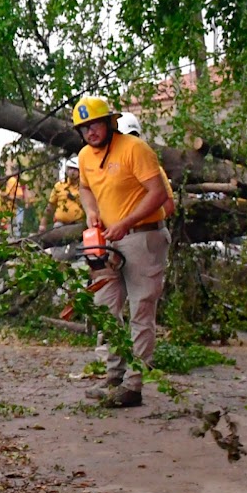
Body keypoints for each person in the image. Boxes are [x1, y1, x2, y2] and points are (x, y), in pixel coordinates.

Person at [71, 95, 174, 408]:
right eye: (84, 127)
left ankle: (133, 385)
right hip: (106, 240)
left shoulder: (135, 149)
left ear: (109, 123)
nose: (91, 132)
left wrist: (127, 221)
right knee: (105, 306)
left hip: (143, 237)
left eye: (95, 125)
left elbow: (158, 195)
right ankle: (113, 374)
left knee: (141, 310)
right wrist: (91, 212)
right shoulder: (86, 156)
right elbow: (85, 187)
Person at [43, 157, 86, 230]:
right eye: (70, 168)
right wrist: (43, 224)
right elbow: (50, 206)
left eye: (75, 169)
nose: (72, 171)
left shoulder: (85, 187)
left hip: (78, 224)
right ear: (67, 170)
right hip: (60, 224)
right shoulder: (59, 186)